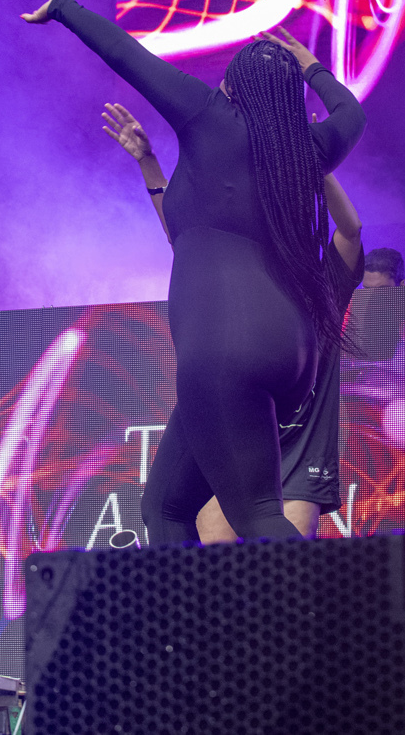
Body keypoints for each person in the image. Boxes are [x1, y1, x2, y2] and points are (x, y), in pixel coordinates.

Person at [24, 0, 365, 542]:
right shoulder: (306, 148)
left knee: (257, 514)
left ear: (235, 88)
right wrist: (312, 69)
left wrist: (63, 7)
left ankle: (327, 601)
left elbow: (127, 54)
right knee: (165, 507)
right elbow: (352, 115)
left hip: (223, 345)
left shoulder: (209, 116)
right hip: (287, 350)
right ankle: (185, 604)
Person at [103, 103, 365, 540]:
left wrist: (315, 163)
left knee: (276, 556)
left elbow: (351, 230)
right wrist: (148, 163)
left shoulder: (325, 282)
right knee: (196, 534)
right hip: (234, 434)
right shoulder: (243, 271)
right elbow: (187, 239)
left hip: (298, 449)